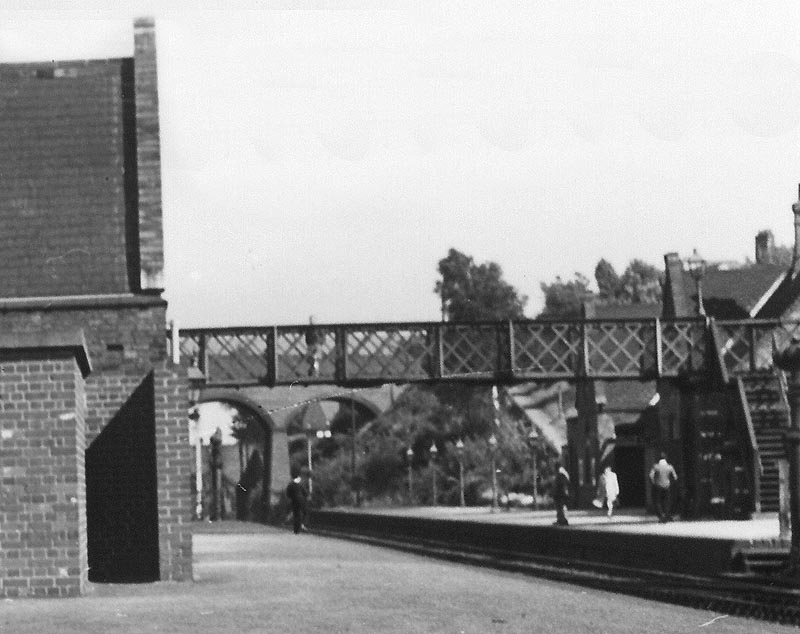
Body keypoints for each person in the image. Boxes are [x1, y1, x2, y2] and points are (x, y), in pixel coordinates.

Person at [649, 452, 678, 523]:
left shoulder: (655, 466)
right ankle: (667, 515)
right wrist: (670, 482)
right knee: (666, 501)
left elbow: (650, 475)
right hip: (667, 486)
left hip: (657, 486)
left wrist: (653, 482)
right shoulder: (670, 467)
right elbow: (675, 477)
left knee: (657, 502)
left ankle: (661, 516)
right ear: (666, 459)